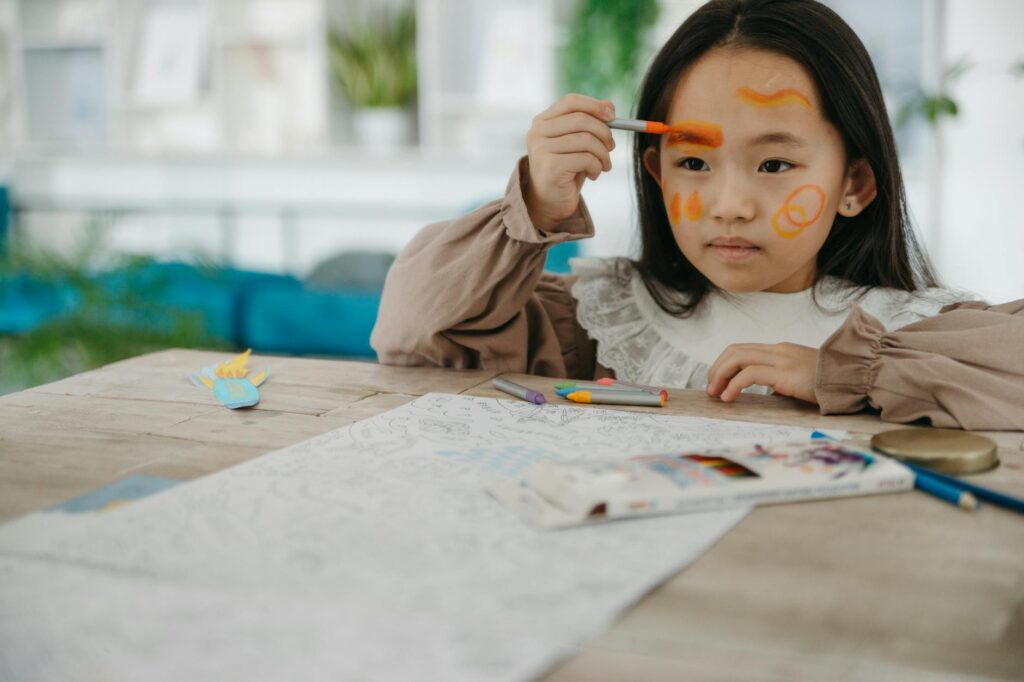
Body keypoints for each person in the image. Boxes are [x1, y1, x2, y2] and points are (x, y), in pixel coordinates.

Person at [372, 0, 1024, 430]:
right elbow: (411, 331)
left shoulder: (905, 334)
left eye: (774, 166)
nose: (730, 206)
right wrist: (537, 201)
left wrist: (844, 372)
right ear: (654, 174)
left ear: (855, 182)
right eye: (693, 164)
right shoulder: (599, 322)